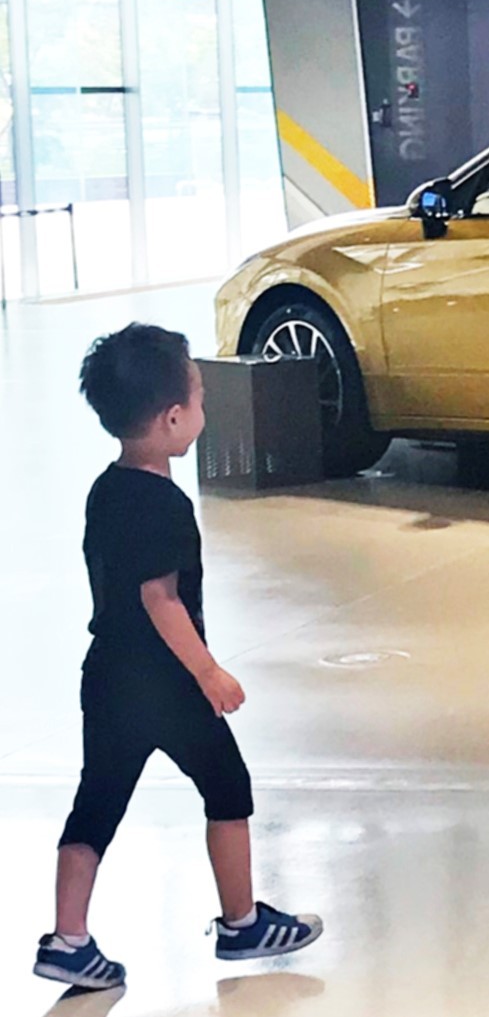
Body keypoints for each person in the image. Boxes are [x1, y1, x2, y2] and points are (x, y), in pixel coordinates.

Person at [33, 324, 322, 991]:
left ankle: (68, 938)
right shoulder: (165, 504)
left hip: (104, 676)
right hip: (164, 683)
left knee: (95, 804)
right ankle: (242, 921)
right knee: (227, 786)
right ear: (171, 419)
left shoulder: (105, 490)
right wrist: (208, 671)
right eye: (197, 395)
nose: (203, 406)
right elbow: (160, 599)